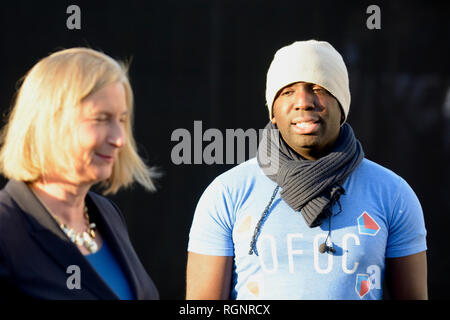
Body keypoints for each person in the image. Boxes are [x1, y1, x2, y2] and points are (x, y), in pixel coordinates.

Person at [186, 40, 427, 300]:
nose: (303, 102)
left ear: (342, 106)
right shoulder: (227, 193)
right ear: (273, 112)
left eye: (318, 88)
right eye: (288, 91)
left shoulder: (393, 193)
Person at [0, 48, 159, 299]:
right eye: (101, 119)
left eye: (121, 120)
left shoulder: (107, 214)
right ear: (51, 123)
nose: (119, 139)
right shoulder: (7, 227)